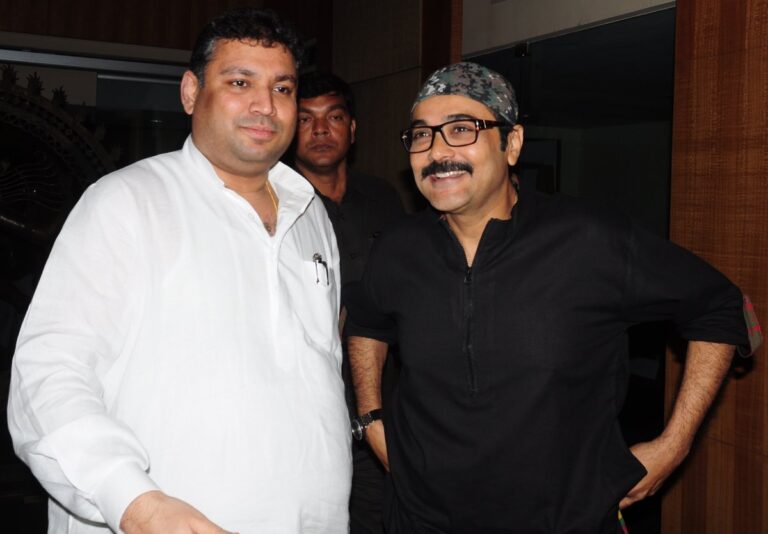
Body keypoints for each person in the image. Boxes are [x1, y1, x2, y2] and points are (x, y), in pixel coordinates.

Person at [345, 62, 761, 533]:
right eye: (421, 136)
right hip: (421, 519)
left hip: (565, 518)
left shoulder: (590, 240)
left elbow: (720, 306)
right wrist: (371, 418)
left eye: (461, 129)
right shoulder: (397, 248)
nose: (437, 152)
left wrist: (676, 442)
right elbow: (366, 322)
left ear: (513, 144)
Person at [7, 8, 351, 534]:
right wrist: (137, 504)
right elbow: (47, 376)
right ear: (191, 93)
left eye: (283, 89)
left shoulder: (311, 215)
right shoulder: (126, 202)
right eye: (240, 82)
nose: (265, 105)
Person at [293, 71, 403, 533]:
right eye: (306, 119)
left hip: (387, 399)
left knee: (385, 517)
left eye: (334, 117)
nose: (321, 130)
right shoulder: (275, 205)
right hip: (308, 409)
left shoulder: (384, 198)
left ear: (352, 129)